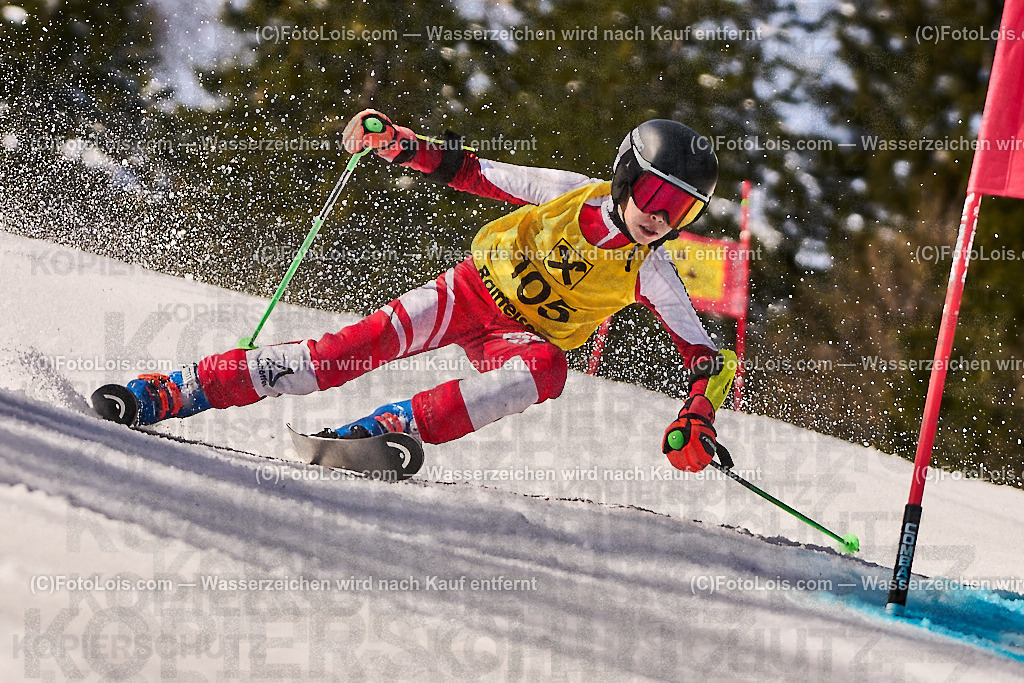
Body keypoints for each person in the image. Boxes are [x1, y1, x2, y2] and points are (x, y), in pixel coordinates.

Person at [100, 111, 737, 473]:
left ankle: (382, 432)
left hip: (520, 337)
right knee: (346, 352)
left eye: (681, 210)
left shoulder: (653, 269)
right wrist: (400, 146)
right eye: (655, 195)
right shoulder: (569, 193)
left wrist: (698, 412)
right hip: (471, 292)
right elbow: (473, 172)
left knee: (547, 368)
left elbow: (706, 355)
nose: (661, 218)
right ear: (627, 178)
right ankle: (174, 390)